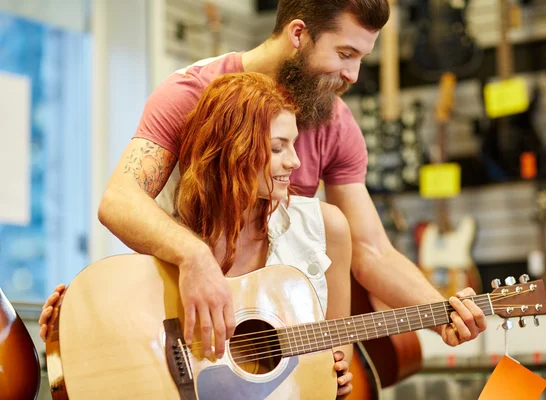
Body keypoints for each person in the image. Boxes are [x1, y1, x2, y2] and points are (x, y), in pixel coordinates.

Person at [44, 0, 487, 363]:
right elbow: (120, 200)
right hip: (186, 336)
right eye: (345, 54)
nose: (353, 75)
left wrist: (440, 312)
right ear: (299, 34)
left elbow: (371, 251)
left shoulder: (335, 121)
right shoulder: (190, 94)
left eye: (361, 59)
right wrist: (194, 256)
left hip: (269, 349)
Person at [41, 72, 354, 398]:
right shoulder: (171, 234)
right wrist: (68, 332)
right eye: (278, 148)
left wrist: (338, 380)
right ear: (234, 148)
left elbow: (336, 346)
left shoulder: (325, 227)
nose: (295, 161)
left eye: (294, 144)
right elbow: (130, 340)